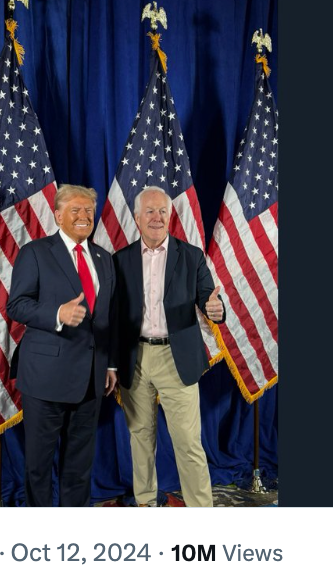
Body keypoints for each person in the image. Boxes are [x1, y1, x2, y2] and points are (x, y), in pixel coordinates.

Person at [114, 186, 226, 507]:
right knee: (140, 438)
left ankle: (199, 510)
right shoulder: (120, 261)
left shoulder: (191, 256)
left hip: (176, 357)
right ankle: (147, 503)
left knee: (189, 443)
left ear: (170, 215)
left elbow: (209, 299)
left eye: (162, 211)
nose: (157, 217)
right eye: (149, 211)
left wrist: (216, 310)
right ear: (137, 218)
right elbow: (113, 314)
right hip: (135, 358)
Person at [7, 185, 117, 506]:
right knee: (39, 465)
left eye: (88, 212)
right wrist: (57, 313)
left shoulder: (104, 258)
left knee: (79, 465)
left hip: (91, 379)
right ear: (58, 215)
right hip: (45, 377)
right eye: (75, 211)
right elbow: (17, 305)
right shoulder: (36, 252)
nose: (84, 217)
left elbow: (107, 317)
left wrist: (109, 364)